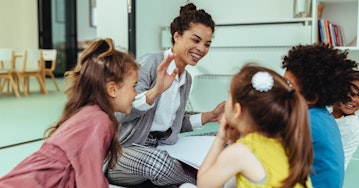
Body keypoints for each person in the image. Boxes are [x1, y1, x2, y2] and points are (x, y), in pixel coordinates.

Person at [105, 3, 225, 187]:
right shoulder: (149, 63)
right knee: (159, 164)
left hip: (161, 146)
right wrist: (155, 92)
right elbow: (120, 113)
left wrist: (211, 116)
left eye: (207, 44)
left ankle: (185, 174)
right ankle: (206, 181)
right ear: (177, 36)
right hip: (124, 151)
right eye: (196, 40)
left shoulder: (186, 79)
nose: (201, 49)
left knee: (224, 137)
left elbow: (172, 126)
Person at [0, 38, 139, 187]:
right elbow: (91, 182)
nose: (136, 94)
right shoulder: (99, 120)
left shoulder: (89, 113)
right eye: (134, 86)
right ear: (113, 89)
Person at [192, 64, 312, 188]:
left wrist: (220, 139)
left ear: (237, 110)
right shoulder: (288, 144)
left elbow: (204, 184)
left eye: (229, 97)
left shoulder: (239, 152)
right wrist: (233, 141)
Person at [282, 43, 358, 188]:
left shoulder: (309, 122)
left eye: (288, 85)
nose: (281, 90)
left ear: (311, 97)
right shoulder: (322, 116)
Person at [331, 71, 359, 171]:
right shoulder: (329, 112)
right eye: (347, 92)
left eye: (358, 95)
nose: (352, 99)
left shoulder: (351, 124)